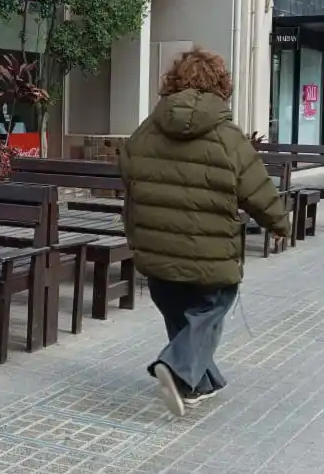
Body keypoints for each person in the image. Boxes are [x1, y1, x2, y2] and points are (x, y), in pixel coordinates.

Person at [118, 49, 290, 417]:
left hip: (156, 249)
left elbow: (131, 186)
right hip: (210, 256)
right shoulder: (228, 137)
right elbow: (256, 188)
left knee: (180, 312)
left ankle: (197, 384)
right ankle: (177, 368)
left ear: (174, 81)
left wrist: (135, 235)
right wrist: (279, 223)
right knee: (213, 304)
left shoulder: (145, 132)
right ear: (220, 84)